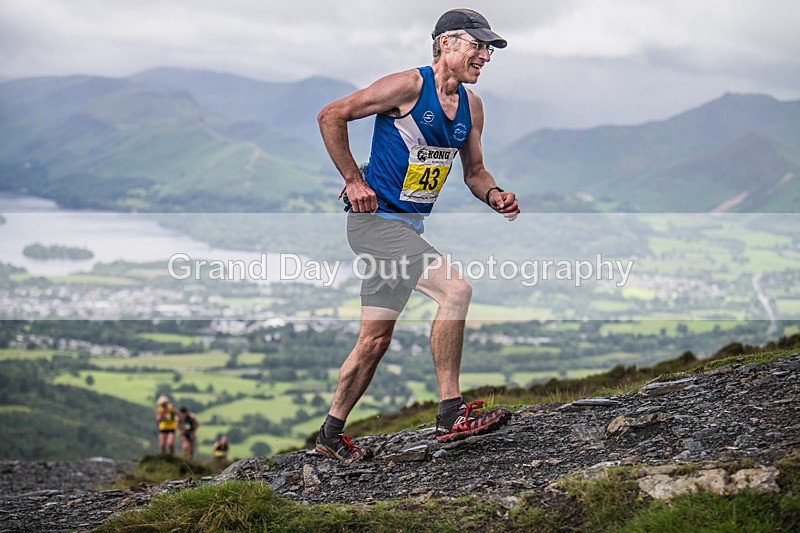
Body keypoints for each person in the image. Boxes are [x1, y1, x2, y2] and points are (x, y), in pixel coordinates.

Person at [315, 8, 520, 464]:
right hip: (374, 224)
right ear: (446, 43)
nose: (485, 56)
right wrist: (353, 178)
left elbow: (475, 172)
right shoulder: (408, 86)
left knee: (374, 341)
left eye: (489, 49)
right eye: (478, 45)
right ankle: (451, 412)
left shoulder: (472, 107)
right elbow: (332, 115)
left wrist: (496, 196)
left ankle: (331, 433)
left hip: (406, 227)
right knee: (457, 289)